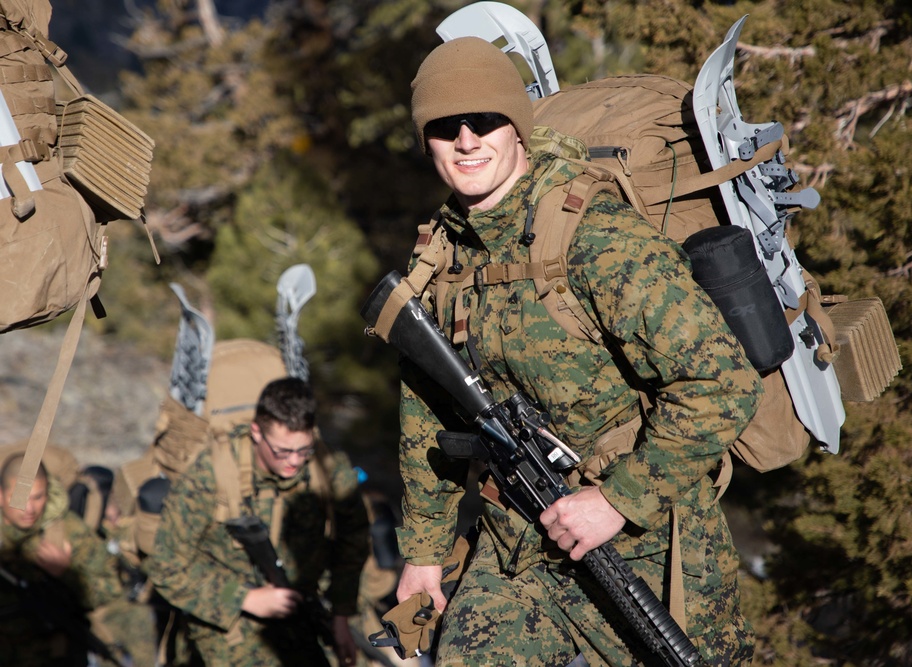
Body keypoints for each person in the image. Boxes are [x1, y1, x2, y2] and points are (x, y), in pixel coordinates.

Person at [392, 37, 765, 666]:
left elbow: (721, 380)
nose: (466, 140)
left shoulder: (598, 236)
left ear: (517, 126)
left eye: (484, 120)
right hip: (515, 546)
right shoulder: (440, 260)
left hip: (646, 542)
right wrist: (424, 553)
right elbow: (425, 411)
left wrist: (615, 501)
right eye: (443, 126)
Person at [148, 377, 370, 666]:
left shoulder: (327, 470)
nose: (294, 461)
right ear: (256, 432)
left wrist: (342, 614)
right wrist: (244, 598)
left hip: (305, 614)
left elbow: (352, 542)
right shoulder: (209, 476)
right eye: (282, 451)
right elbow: (166, 566)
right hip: (227, 624)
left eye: (304, 450)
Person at [0, 454, 123, 666]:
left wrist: (67, 573)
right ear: (1, 496)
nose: (30, 509)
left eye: (38, 497)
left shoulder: (67, 530)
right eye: (20, 497)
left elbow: (111, 590)